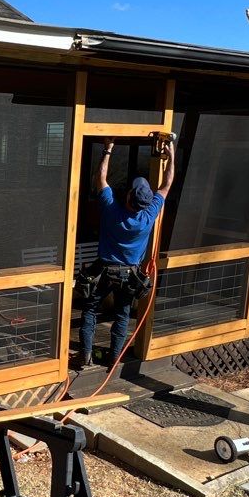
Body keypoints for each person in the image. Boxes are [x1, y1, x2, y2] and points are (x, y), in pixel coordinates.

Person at [76, 135, 175, 370]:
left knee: (89, 310)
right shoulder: (149, 216)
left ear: (130, 196)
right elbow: (167, 184)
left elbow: (100, 178)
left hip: (103, 270)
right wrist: (171, 156)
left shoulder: (112, 210)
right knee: (121, 315)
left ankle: (86, 356)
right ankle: (114, 359)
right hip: (129, 275)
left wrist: (108, 149)